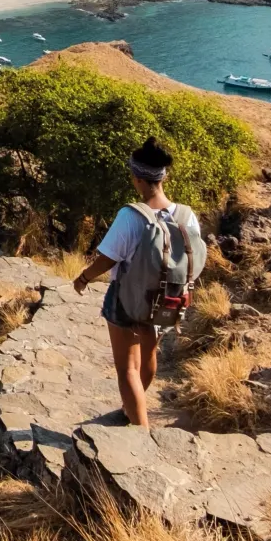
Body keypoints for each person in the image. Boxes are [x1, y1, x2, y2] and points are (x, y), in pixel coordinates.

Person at [71, 139, 202, 427]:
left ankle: (141, 433)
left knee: (127, 367)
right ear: (164, 176)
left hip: (127, 299)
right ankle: (134, 407)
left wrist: (83, 279)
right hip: (166, 298)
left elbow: (107, 259)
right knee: (148, 354)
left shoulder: (131, 215)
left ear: (137, 178)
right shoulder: (187, 215)